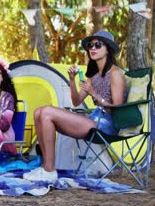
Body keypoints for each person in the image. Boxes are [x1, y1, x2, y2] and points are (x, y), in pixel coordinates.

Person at [23, 30, 126, 182]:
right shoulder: (94, 76)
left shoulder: (115, 73)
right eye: (90, 45)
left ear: (108, 49)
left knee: (46, 112)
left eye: (98, 45)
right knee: (39, 112)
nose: (93, 48)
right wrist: (72, 80)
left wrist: (94, 95)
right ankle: (46, 167)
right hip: (93, 120)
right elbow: (76, 101)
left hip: (106, 125)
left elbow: (118, 108)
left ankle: (50, 170)